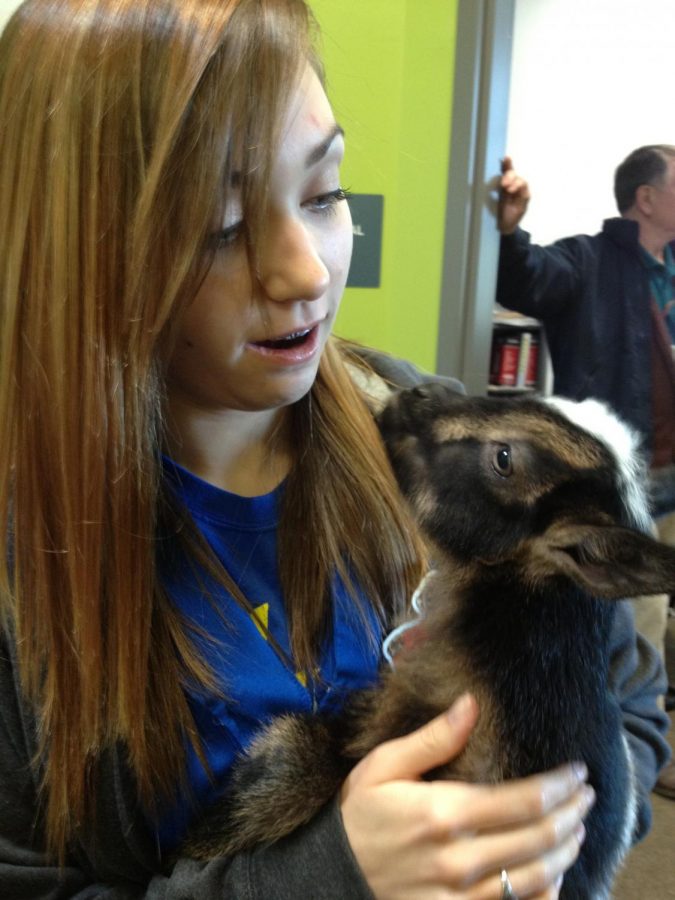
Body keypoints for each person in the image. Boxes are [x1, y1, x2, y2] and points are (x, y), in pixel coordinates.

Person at [0, 3, 668, 897]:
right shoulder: (24, 561)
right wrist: (326, 876)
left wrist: (538, 828)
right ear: (80, 247)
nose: (308, 272)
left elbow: (626, 697)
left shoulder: (423, 430)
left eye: (323, 194)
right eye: (221, 223)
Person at [496, 148, 675, 802]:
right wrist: (510, 231)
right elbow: (524, 281)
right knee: (636, 609)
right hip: (617, 473)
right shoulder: (590, 259)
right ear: (645, 199)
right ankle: (635, 745)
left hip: (671, 466)